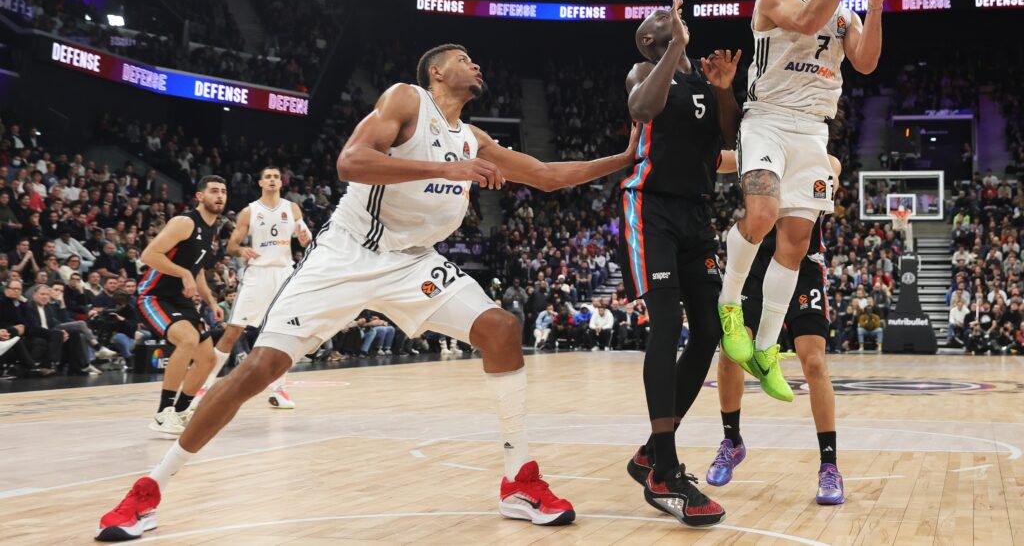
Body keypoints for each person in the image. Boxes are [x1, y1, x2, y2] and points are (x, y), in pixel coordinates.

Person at [96, 43, 641, 541]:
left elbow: (546, 175)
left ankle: (519, 481)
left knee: (501, 327)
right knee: (258, 368)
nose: (477, 65)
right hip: (347, 253)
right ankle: (149, 490)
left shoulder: (473, 139)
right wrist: (449, 168)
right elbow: (350, 162)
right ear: (437, 71)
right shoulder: (407, 100)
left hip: (413, 263)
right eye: (465, 58)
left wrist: (625, 158)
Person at [717, 0, 905, 400]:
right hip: (766, 120)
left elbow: (865, 62)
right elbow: (802, 23)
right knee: (760, 215)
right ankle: (730, 308)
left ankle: (764, 347)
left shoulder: (844, 16)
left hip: (813, 130)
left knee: (796, 243)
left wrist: (877, 2)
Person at [619, 0, 741, 527]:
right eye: (666, 25)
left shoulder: (699, 81)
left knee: (710, 331)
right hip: (652, 207)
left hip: (695, 213)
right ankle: (665, 469)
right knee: (666, 325)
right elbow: (643, 109)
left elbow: (729, 138)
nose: (680, 25)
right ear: (654, 39)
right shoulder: (646, 71)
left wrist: (724, 89)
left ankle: (650, 450)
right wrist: (672, 47)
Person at [708, 157, 845, 504]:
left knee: (813, 362)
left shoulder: (825, 159)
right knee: (729, 351)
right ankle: (731, 441)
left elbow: (831, 175)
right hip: (755, 262)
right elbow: (723, 159)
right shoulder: (760, 145)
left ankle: (829, 467)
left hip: (803, 264)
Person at [196, 166, 311, 409]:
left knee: (285, 333)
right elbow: (231, 246)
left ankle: (279, 391)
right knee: (234, 330)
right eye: (268, 177)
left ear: (282, 182)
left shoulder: (292, 208)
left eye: (276, 177)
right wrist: (242, 250)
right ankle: (204, 386)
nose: (272, 180)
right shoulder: (249, 211)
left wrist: (305, 237)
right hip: (258, 274)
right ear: (260, 183)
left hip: (285, 273)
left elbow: (305, 235)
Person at [135, 176, 227, 436]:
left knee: (207, 359)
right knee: (187, 340)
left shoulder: (211, 229)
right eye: (213, 191)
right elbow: (149, 255)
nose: (219, 196)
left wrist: (211, 301)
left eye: (223, 191)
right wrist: (183, 274)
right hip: (155, 296)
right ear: (200, 196)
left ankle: (180, 411)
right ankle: (164, 413)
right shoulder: (184, 222)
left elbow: (196, 271)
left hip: (182, 299)